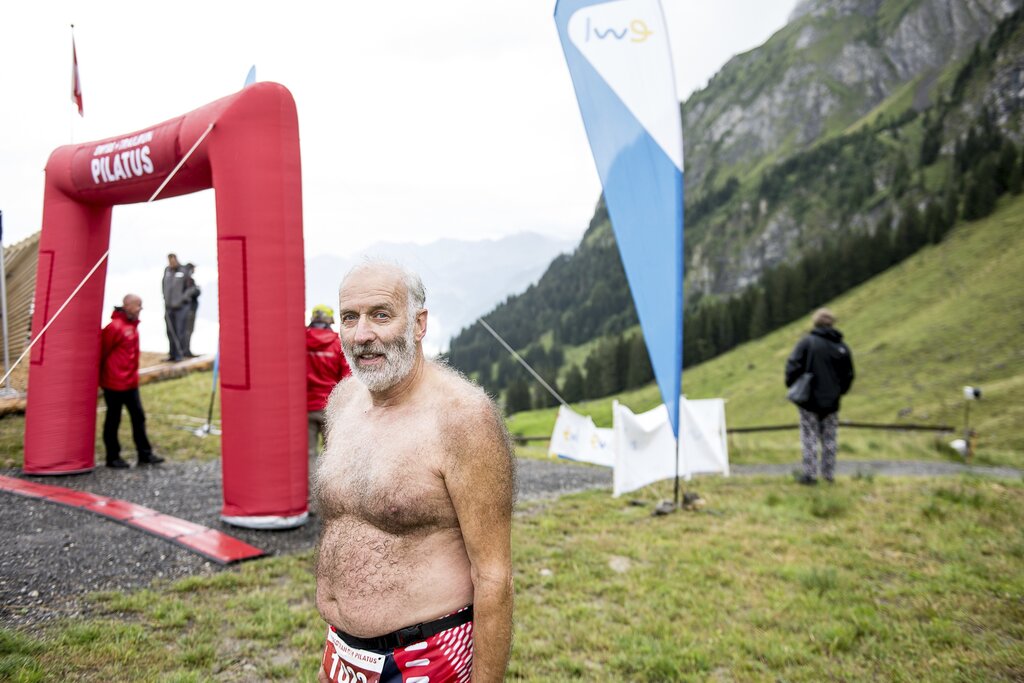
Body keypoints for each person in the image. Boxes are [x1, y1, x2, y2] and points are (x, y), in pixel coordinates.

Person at [314, 262, 514, 683]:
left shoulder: (464, 418)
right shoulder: (342, 401)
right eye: (349, 317)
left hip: (426, 657)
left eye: (381, 314)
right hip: (342, 653)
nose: (362, 334)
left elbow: (493, 575)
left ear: (419, 323)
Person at [785, 307, 855, 484]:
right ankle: (829, 475)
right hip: (832, 401)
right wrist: (840, 392)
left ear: (815, 322)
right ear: (832, 323)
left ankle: (810, 475)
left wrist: (793, 384)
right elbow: (849, 375)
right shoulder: (841, 347)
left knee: (809, 437)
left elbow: (792, 366)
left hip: (809, 399)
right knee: (830, 438)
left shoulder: (807, 342)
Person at [99, 294, 164, 469]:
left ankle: (145, 453)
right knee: (113, 419)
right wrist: (102, 378)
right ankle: (112, 457)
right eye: (137, 306)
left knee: (138, 417)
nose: (139, 309)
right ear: (127, 306)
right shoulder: (115, 327)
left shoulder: (132, 326)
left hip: (130, 383)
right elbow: (102, 352)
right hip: (114, 383)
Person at [306, 304, 350, 461]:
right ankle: (328, 487)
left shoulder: (300, 341)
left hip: (305, 408)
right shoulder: (338, 344)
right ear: (329, 321)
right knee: (332, 456)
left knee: (307, 456)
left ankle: (310, 487)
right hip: (330, 408)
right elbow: (346, 379)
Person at [162, 253, 189, 361]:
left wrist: (183, 298)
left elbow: (190, 287)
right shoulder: (167, 270)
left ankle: (180, 354)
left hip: (180, 308)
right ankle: (172, 354)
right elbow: (163, 284)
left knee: (179, 331)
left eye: (172, 260)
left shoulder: (183, 271)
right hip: (169, 307)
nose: (171, 263)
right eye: (169, 261)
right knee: (169, 331)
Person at [181, 262, 201, 358]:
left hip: (187, 309)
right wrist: (196, 290)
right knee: (188, 330)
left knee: (187, 330)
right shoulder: (188, 280)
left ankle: (185, 350)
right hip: (188, 310)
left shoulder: (187, 280)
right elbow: (188, 294)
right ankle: (186, 351)